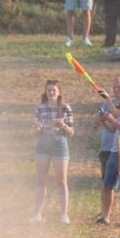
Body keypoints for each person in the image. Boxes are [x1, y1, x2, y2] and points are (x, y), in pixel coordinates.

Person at [32, 79, 74, 224]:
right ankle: (37, 213)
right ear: (45, 92)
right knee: (41, 180)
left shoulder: (65, 108)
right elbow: (36, 130)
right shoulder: (40, 108)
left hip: (59, 142)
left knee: (61, 181)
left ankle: (63, 214)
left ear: (59, 92)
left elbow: (71, 132)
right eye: (49, 90)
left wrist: (62, 125)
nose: (51, 92)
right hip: (43, 142)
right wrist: (37, 129)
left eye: (54, 90)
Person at [95, 77, 120, 224]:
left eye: (118, 87)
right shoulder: (111, 104)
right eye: (114, 87)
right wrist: (103, 120)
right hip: (109, 148)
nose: (115, 90)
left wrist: (111, 118)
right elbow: (112, 128)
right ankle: (104, 215)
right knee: (107, 183)